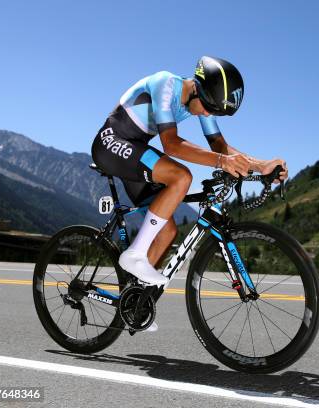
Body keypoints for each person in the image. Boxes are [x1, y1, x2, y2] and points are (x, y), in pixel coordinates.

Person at [91, 56, 287, 293]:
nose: (207, 115)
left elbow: (220, 147)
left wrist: (261, 165)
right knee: (181, 176)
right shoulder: (165, 84)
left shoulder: (205, 103)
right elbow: (171, 145)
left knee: (167, 232)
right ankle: (135, 254)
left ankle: (133, 301)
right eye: (208, 108)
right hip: (111, 142)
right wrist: (222, 162)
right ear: (197, 89)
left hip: (136, 151)